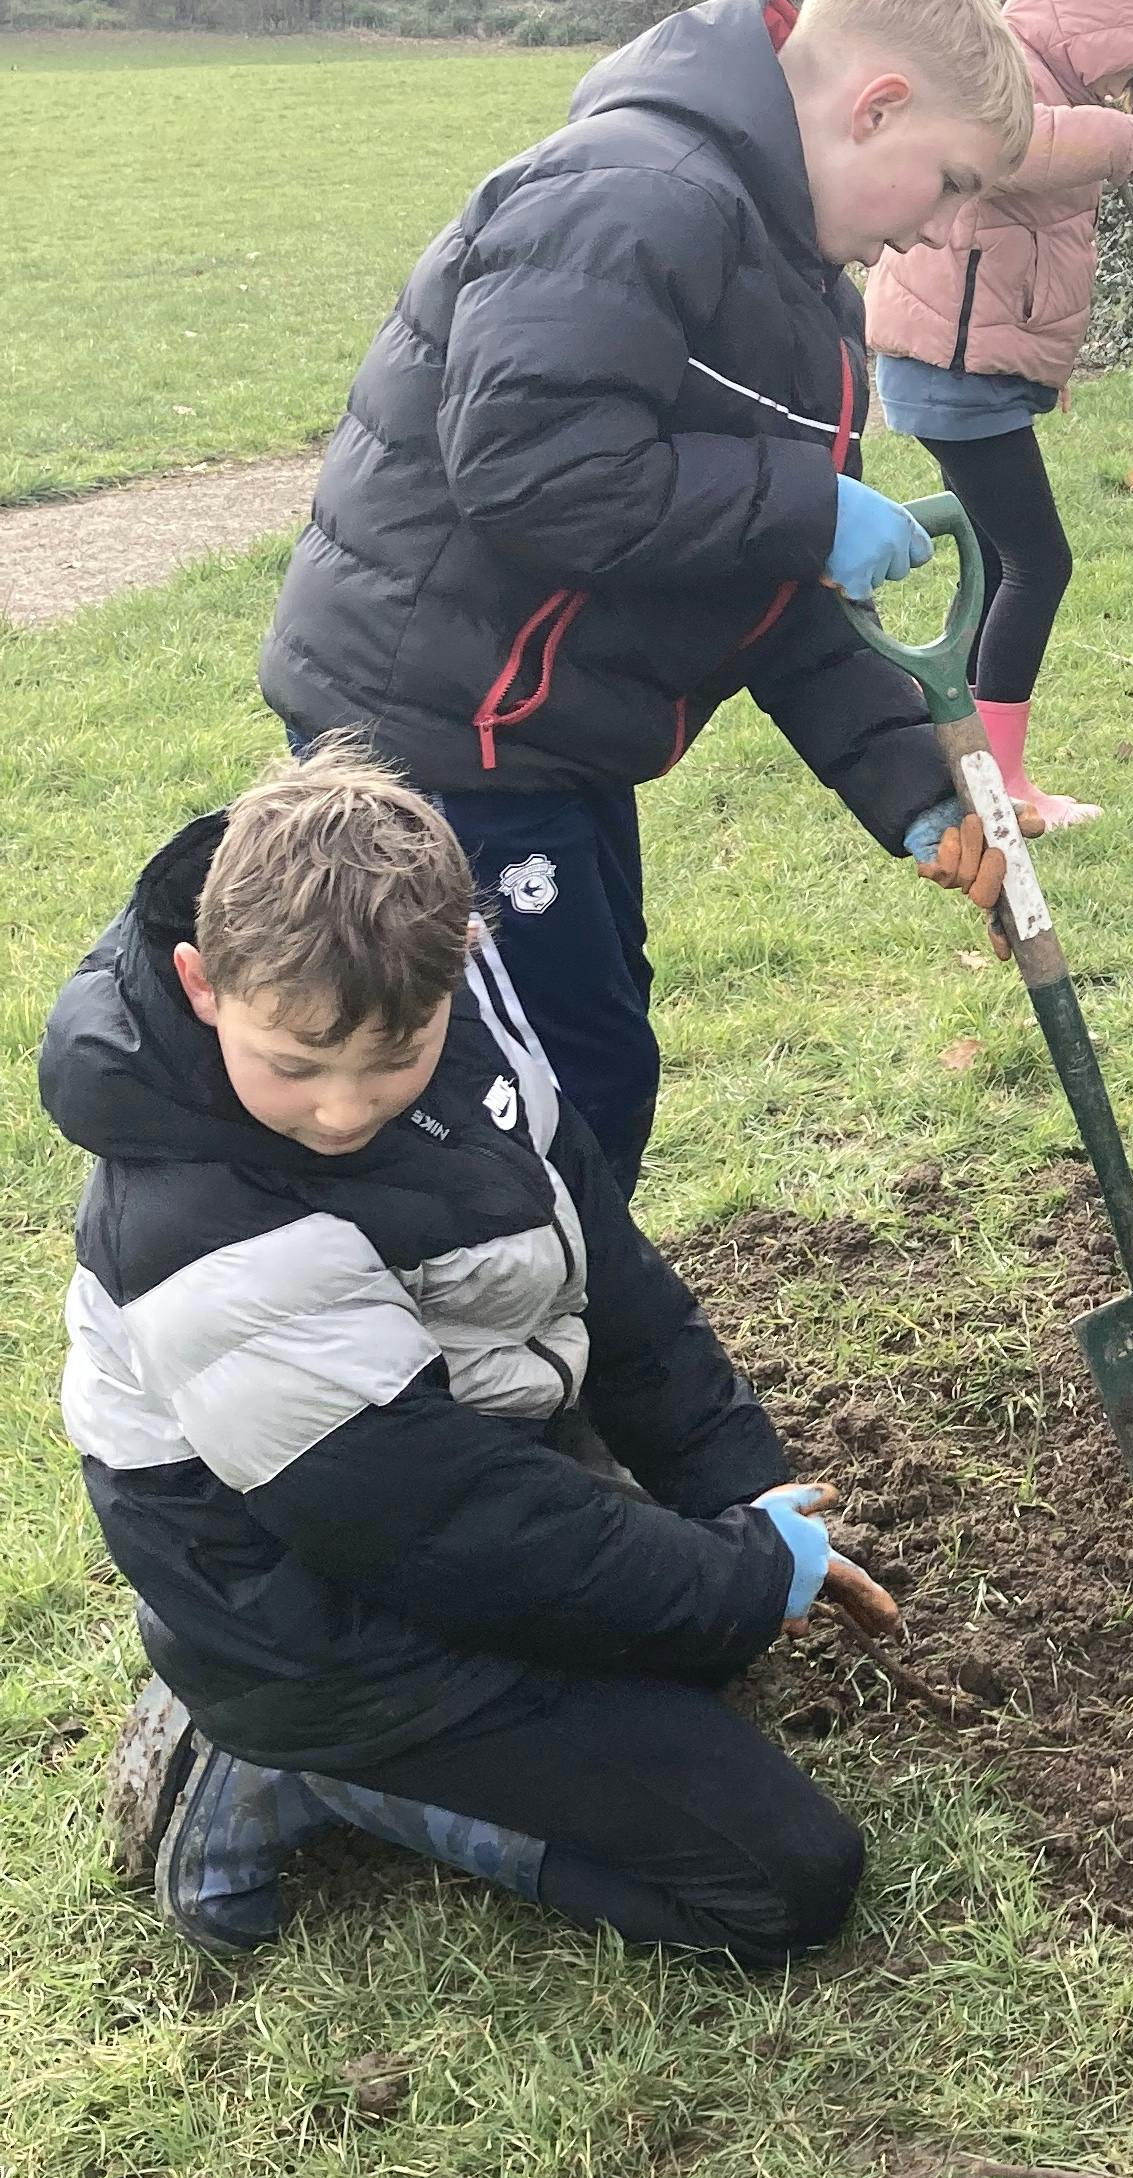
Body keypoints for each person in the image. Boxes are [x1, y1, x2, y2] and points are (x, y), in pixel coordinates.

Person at [49, 747, 890, 1967]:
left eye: (393, 1057)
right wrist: (742, 1575)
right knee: (785, 1883)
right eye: (295, 1065)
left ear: (461, 966)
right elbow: (441, 1525)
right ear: (201, 983)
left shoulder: (468, 1021)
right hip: (316, 1611)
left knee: (704, 1639)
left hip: (444, 1472)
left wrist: (739, 1494)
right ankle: (291, 1770)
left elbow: (607, 1260)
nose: (345, 1109)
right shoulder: (192, 1228)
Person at [259, 0, 1035, 1193]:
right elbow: (523, 463)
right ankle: (489, 1366)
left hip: (545, 735)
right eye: (948, 184)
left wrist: (909, 781)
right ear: (875, 104)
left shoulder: (786, 278)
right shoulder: (637, 194)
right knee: (524, 1091)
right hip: (439, 735)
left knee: (591, 1067)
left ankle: (552, 1347)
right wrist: (800, 501)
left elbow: (750, 578)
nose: (939, 231)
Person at [863, 0, 1133, 831]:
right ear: (1114, 27)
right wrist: (1123, 145)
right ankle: (998, 780)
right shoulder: (1000, 63)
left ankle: (971, 766)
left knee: (997, 559)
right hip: (951, 371)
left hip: (963, 369)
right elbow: (1006, 148)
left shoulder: (1043, 73)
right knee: (1036, 561)